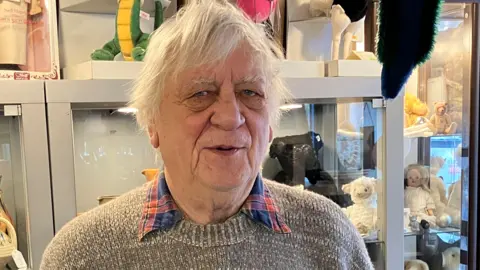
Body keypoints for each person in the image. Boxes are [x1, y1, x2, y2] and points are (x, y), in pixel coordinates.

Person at [40, 1, 373, 269]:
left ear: (271, 124)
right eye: (200, 93)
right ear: (151, 122)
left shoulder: (329, 236)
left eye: (250, 93)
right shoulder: (80, 256)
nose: (230, 117)